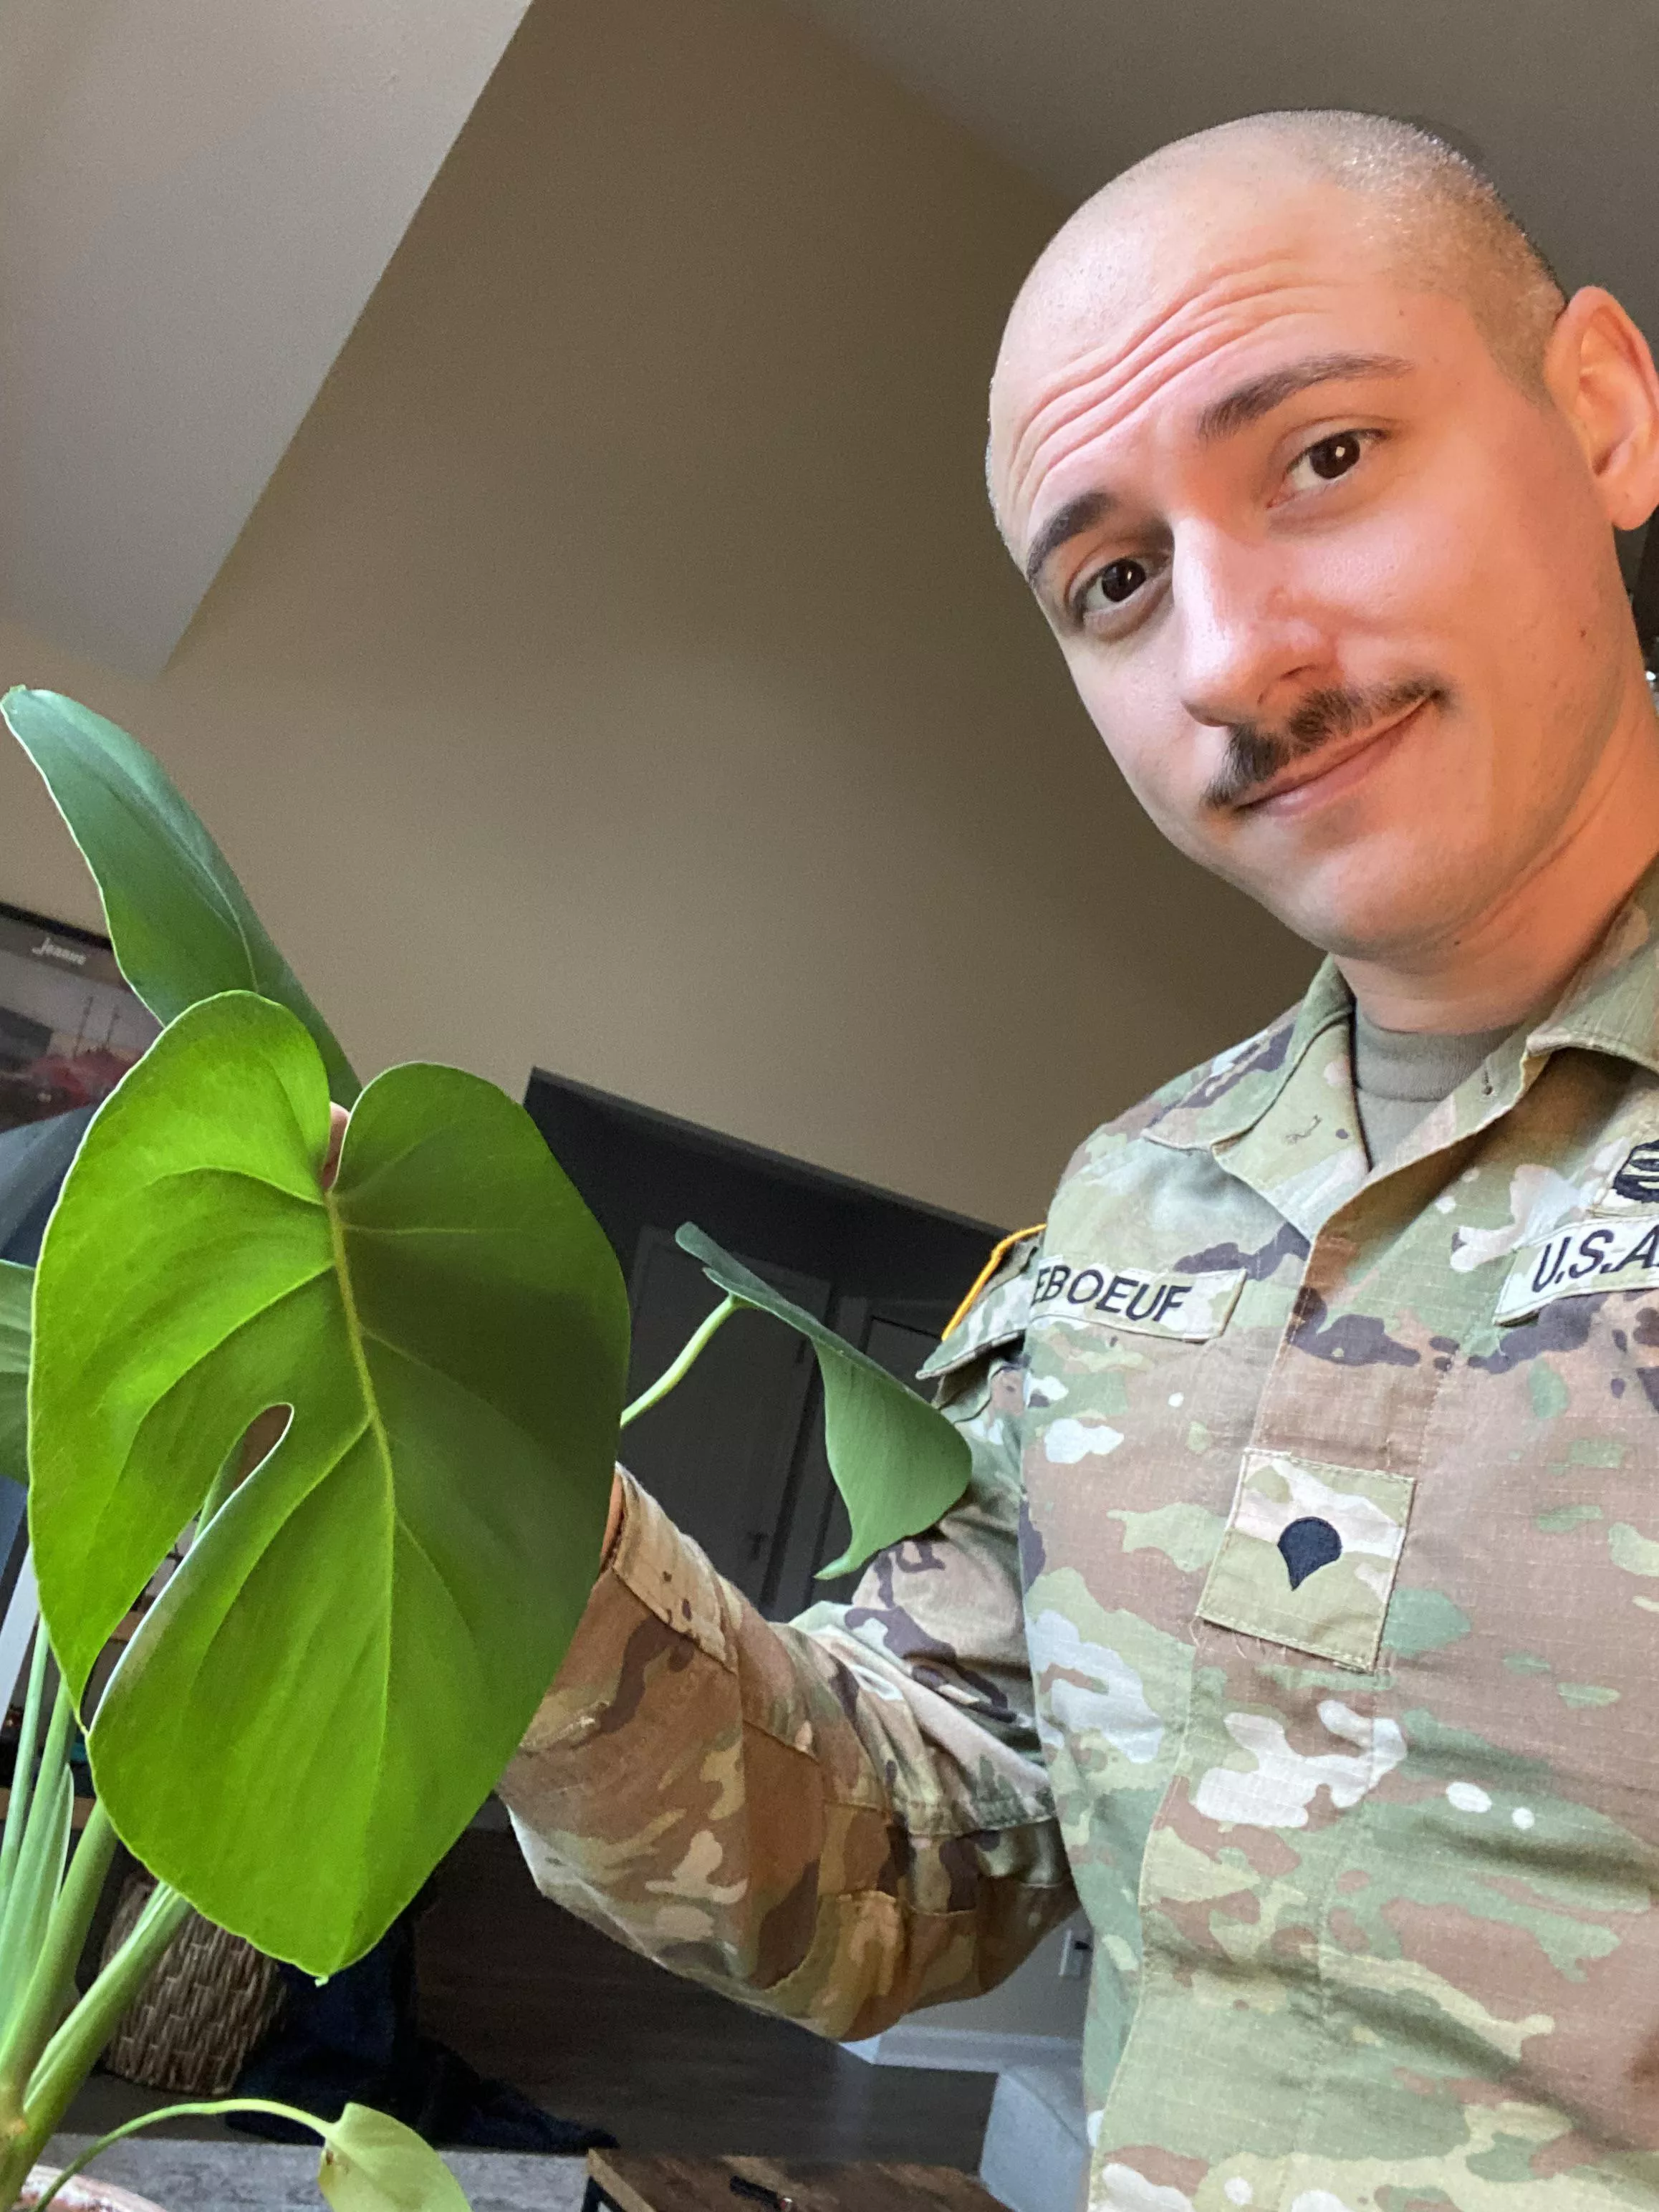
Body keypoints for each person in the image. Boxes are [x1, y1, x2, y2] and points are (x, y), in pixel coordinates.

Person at [495, 112, 1659, 2206]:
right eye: (1115, 581)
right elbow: (915, 1849)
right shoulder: (1141, 1197)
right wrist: (479, 1501)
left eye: (1321, 457)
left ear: (1597, 411)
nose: (1231, 664)